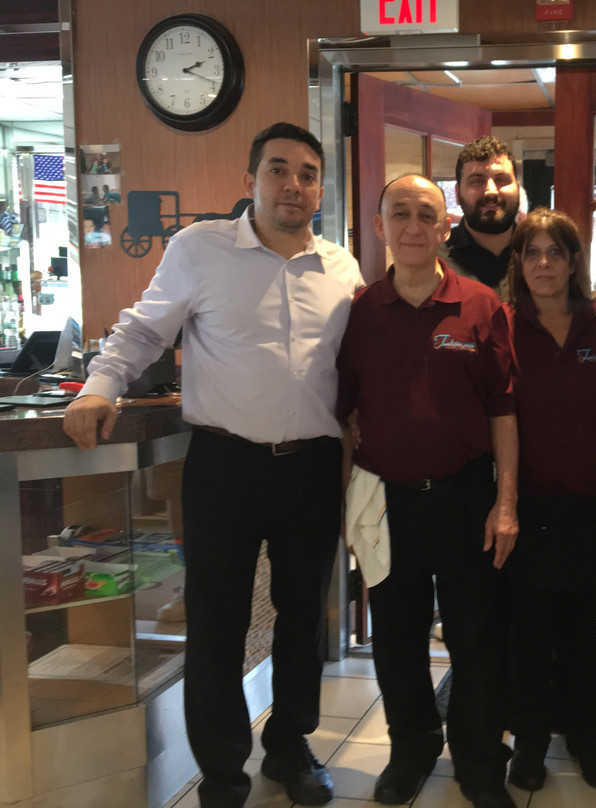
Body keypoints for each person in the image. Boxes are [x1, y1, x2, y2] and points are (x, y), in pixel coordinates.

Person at [62, 122, 362, 808]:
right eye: (278, 169)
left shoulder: (342, 268)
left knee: (302, 618)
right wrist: (100, 386)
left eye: (307, 174)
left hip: (312, 469)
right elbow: (144, 329)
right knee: (218, 622)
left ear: (320, 190)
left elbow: (362, 363)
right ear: (249, 180)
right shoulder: (199, 248)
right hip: (225, 465)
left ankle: (289, 747)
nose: (293, 184)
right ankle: (223, 772)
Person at [336, 174, 519, 808]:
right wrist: (344, 507)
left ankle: (478, 760)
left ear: (446, 227)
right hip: (387, 500)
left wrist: (506, 504)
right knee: (395, 635)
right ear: (379, 227)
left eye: (426, 214)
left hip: (465, 495)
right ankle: (411, 750)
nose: (413, 226)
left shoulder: (481, 305)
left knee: (476, 636)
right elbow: (344, 416)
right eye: (399, 214)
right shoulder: (359, 313)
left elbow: (504, 413)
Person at [501, 207, 596, 793]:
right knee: (529, 638)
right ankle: (530, 744)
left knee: (586, 637)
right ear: (519, 262)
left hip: (594, 511)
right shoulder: (504, 326)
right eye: (532, 253)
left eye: (555, 252)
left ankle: (586, 736)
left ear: (573, 261)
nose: (543, 264)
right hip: (528, 512)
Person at [442, 135, 521, 290]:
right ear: (457, 194)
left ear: (517, 189)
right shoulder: (434, 261)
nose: (491, 191)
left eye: (501, 180)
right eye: (477, 181)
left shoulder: (542, 254)